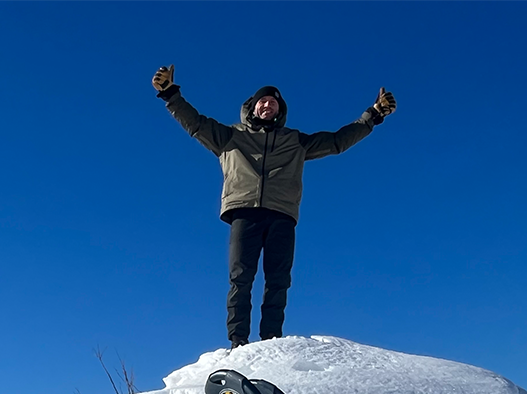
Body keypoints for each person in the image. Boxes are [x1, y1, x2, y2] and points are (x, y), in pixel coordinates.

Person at [152, 65, 396, 348]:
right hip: (244, 211)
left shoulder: (296, 141)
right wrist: (170, 93)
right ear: (253, 107)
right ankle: (238, 340)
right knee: (241, 278)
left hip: (282, 214)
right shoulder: (231, 136)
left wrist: (373, 115)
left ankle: (271, 340)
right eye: (262, 101)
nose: (267, 105)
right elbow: (195, 123)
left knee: (278, 280)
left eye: (273, 102)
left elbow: (337, 141)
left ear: (280, 110)